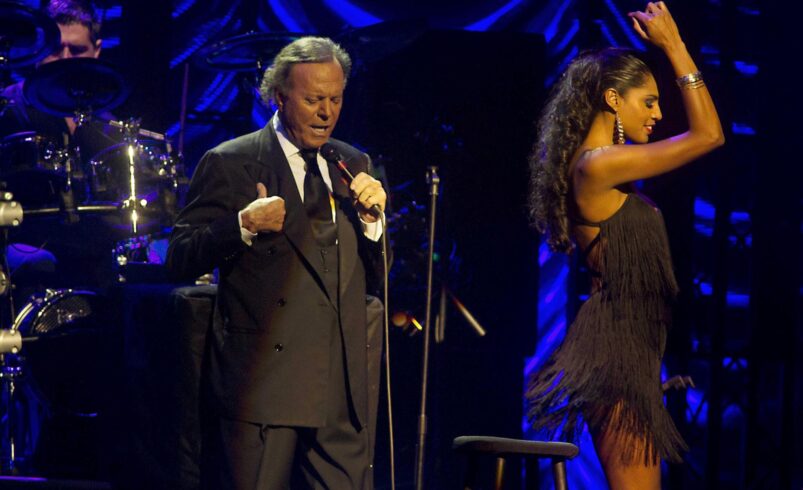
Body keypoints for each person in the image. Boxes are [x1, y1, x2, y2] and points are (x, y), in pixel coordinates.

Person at [166, 36, 388, 489]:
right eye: (313, 100)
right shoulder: (232, 162)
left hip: (340, 393)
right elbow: (180, 257)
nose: (326, 113)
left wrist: (373, 224)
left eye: (335, 100)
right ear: (279, 97)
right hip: (265, 387)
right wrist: (241, 225)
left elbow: (376, 278)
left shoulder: (352, 163)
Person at [525, 2, 724, 489]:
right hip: (615, 356)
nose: (658, 114)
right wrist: (674, 46)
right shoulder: (597, 165)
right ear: (613, 99)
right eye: (649, 102)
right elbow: (709, 136)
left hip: (630, 352)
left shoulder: (609, 167)